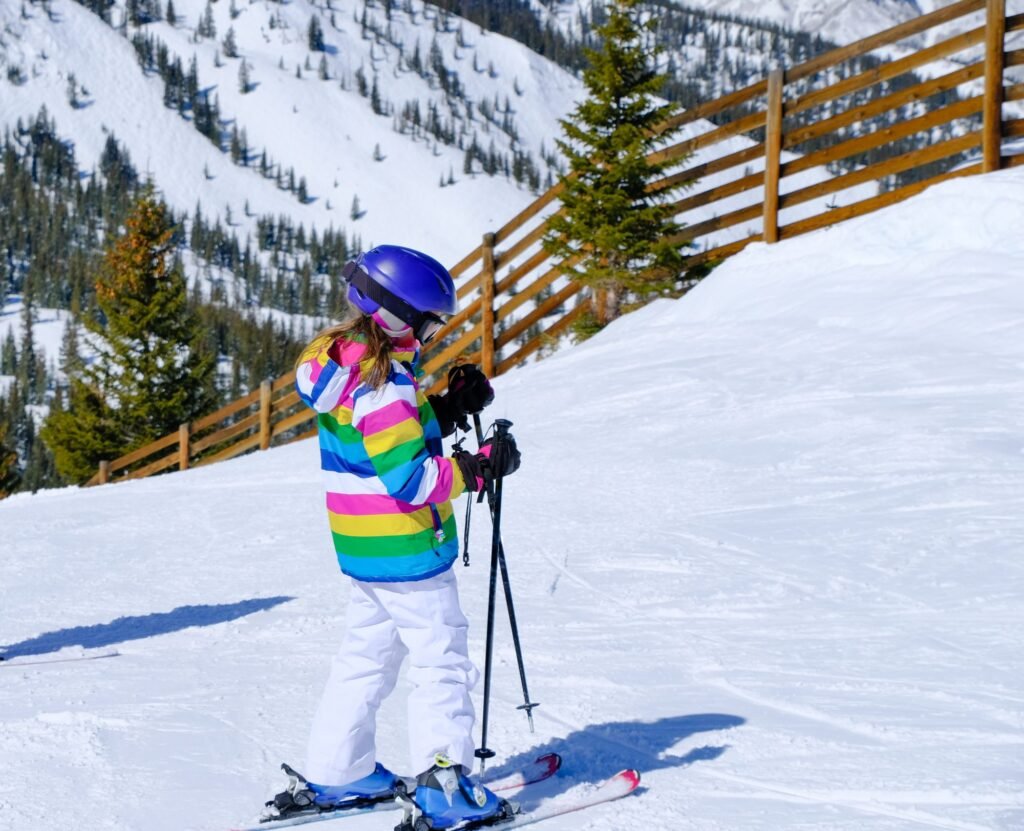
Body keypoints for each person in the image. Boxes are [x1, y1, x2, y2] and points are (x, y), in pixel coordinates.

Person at [265, 245, 521, 830]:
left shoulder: (343, 365)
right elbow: (411, 479)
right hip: (407, 550)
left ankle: (341, 769)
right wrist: (478, 468)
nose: (433, 333)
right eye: (431, 322)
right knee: (441, 662)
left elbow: (380, 439)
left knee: (366, 657)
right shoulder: (385, 384)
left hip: (364, 548)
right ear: (402, 318)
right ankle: (445, 787)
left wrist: (446, 409)